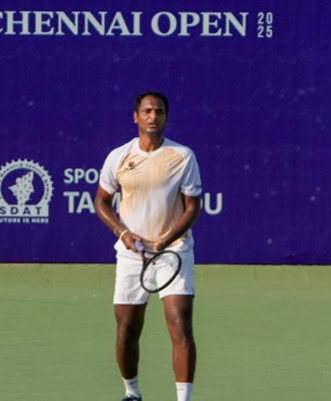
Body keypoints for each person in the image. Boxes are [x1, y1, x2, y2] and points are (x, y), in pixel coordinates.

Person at [94, 91, 202, 401]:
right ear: (136, 117)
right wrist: (122, 233)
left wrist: (165, 239)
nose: (153, 116)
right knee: (126, 328)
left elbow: (192, 207)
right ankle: (132, 393)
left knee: (180, 323)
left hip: (174, 251)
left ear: (166, 117)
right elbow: (101, 201)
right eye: (147, 110)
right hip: (132, 254)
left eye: (159, 111)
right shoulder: (119, 156)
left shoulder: (183, 156)